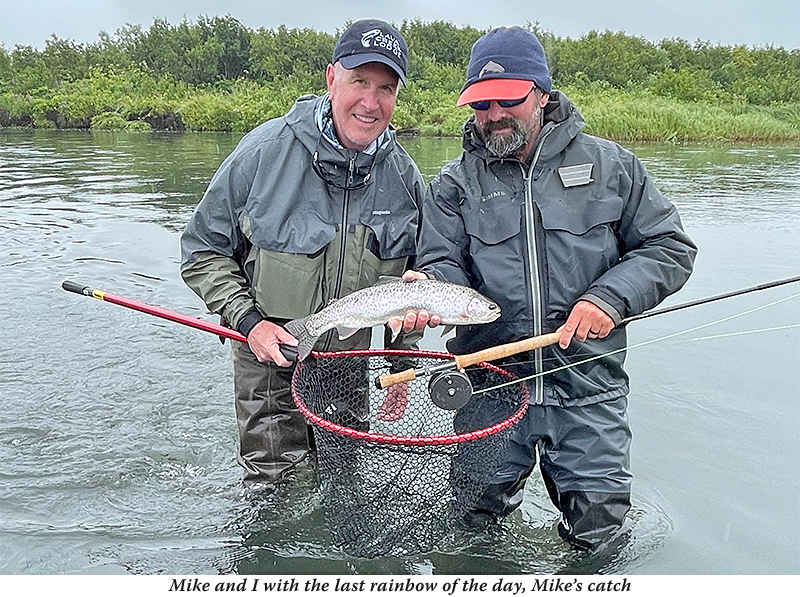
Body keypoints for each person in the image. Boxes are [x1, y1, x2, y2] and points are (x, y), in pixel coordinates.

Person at [405, 26, 697, 551]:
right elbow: (439, 262)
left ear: (542, 93)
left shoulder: (613, 167)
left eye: (507, 100)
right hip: (490, 389)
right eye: (480, 104)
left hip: (589, 389)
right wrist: (431, 291)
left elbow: (670, 249)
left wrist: (609, 297)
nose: (493, 115)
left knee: (601, 540)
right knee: (469, 533)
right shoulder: (453, 184)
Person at [180, 20, 427, 485]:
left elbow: (411, 285)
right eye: (359, 82)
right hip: (267, 363)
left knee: (341, 488)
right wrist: (248, 322)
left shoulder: (406, 179)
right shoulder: (263, 152)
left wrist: (403, 361)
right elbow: (201, 250)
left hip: (348, 369)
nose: (371, 103)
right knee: (274, 496)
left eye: (386, 89)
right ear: (331, 78)